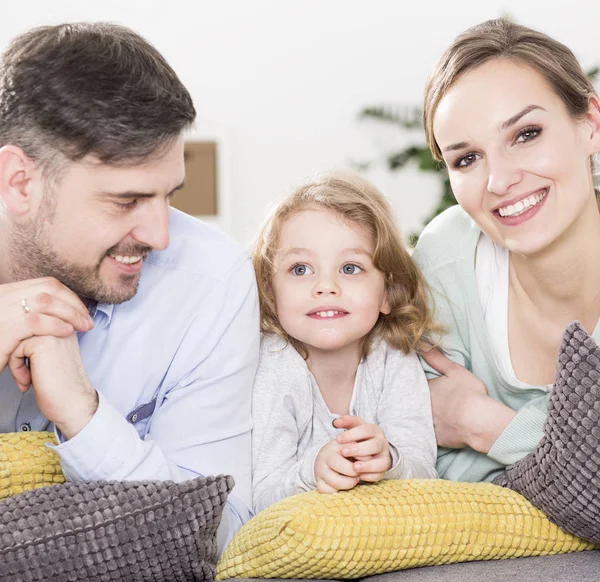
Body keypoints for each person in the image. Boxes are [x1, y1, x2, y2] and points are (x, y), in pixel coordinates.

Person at [0, 23, 259, 552]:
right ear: (20, 182)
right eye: (125, 201)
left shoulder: (211, 282)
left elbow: (222, 531)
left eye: (169, 196)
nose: (160, 235)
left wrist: (84, 416)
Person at [412, 18, 600, 483]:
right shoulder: (447, 255)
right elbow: (426, 465)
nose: (499, 181)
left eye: (526, 134)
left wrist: (482, 424)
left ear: (591, 124)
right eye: (466, 159)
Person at [251, 171, 438, 513]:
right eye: (300, 269)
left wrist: (388, 460)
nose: (325, 286)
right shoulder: (274, 365)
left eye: (350, 268)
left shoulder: (392, 357)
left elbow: (424, 471)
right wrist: (314, 470)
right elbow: (260, 496)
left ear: (387, 293)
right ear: (270, 293)